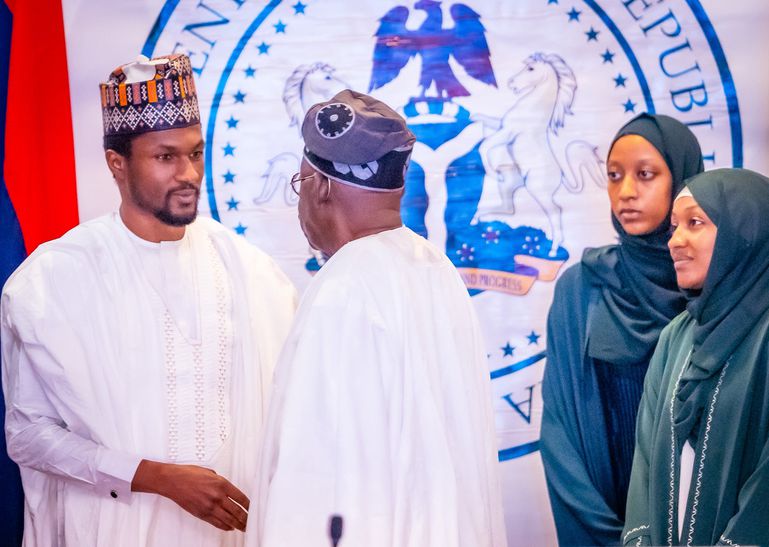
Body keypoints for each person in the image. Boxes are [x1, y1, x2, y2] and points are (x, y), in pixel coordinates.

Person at [1, 54, 296, 546]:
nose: (189, 173)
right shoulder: (52, 281)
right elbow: (28, 436)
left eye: (196, 153)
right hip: (109, 531)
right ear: (117, 163)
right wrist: (152, 476)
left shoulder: (253, 272)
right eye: (165, 157)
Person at [246, 89, 506, 547]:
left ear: (320, 186)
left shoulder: (342, 290)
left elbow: (315, 486)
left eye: (300, 182)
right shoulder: (435, 268)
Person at [540, 113, 704, 545]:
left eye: (645, 174)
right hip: (603, 521)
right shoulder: (582, 287)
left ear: (682, 181)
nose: (626, 191)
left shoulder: (714, 293)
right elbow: (560, 435)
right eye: (614, 175)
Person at [623, 168, 769, 547]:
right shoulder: (676, 336)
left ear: (744, 232)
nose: (675, 241)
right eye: (674, 227)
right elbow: (645, 463)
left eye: (695, 223)